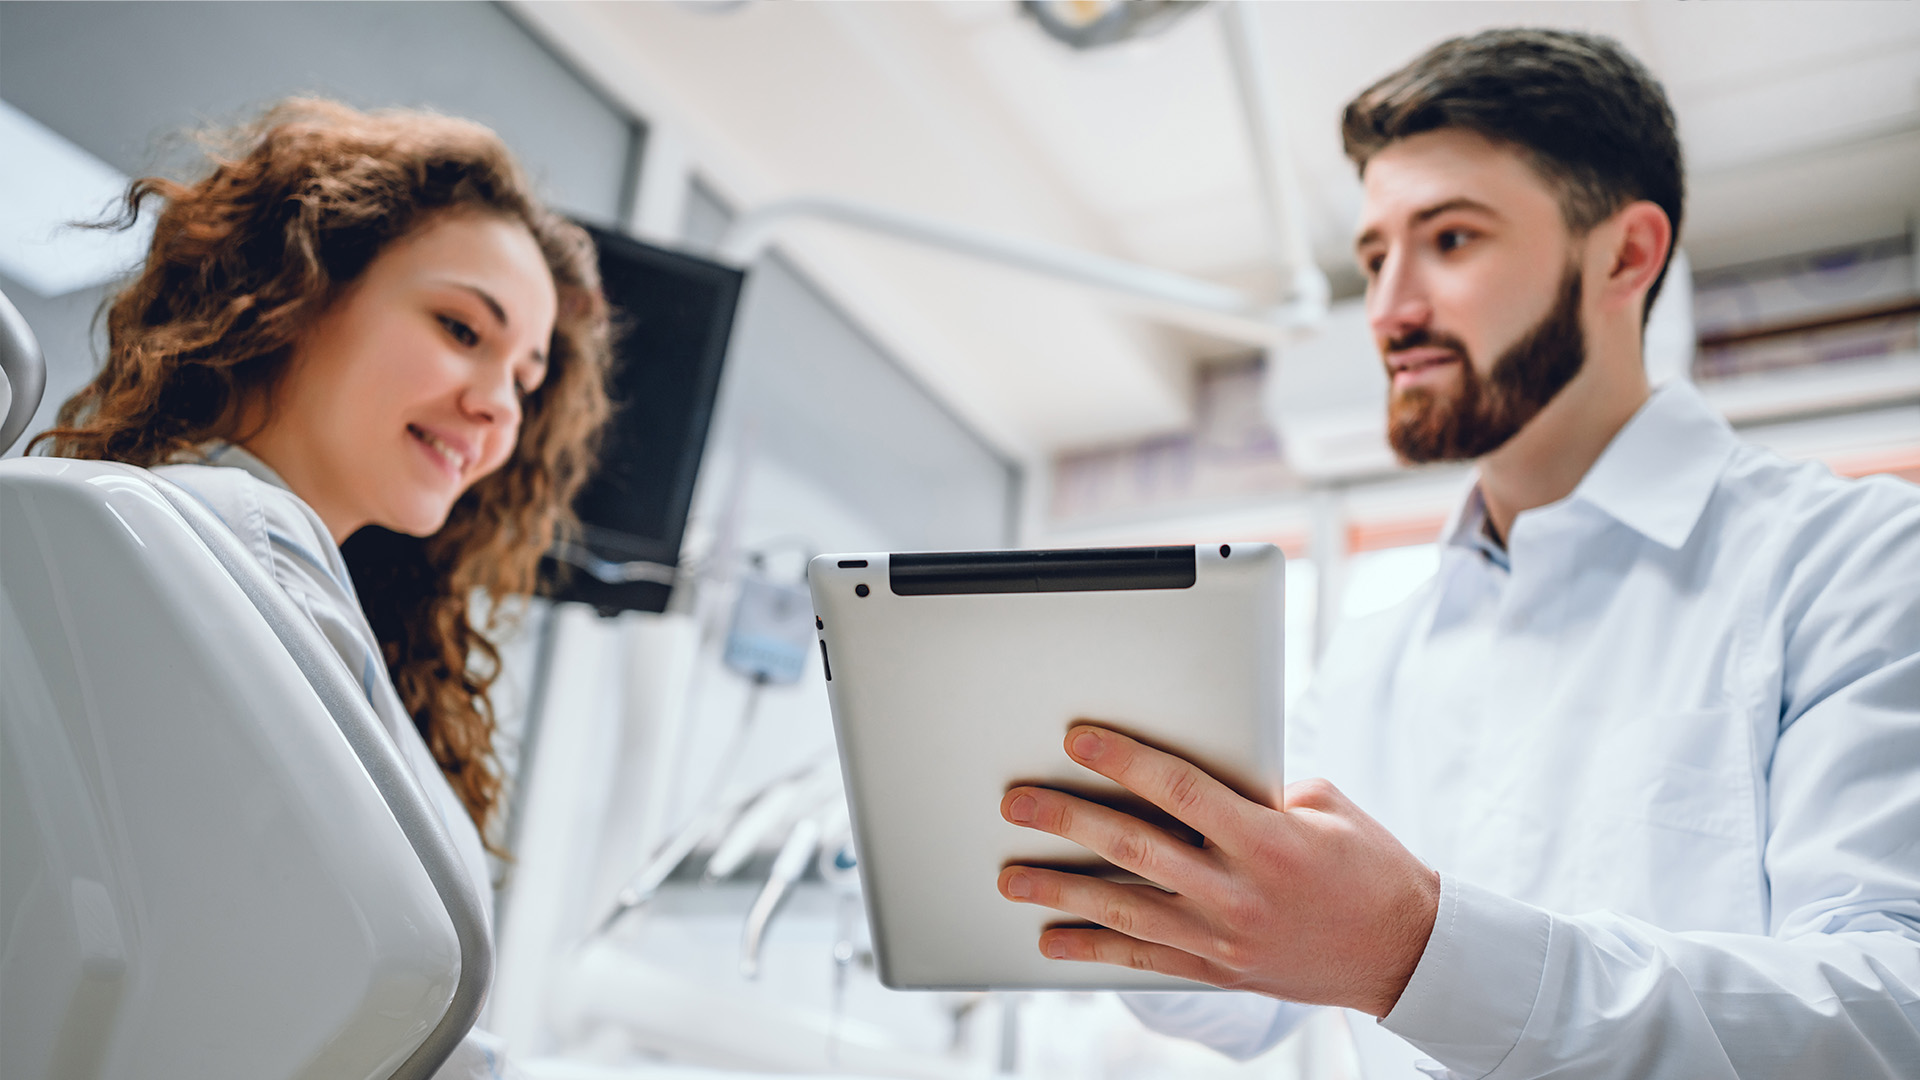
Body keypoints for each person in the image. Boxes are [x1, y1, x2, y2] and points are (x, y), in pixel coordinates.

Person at [993, 29, 1920, 1080]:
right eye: (1377, 256)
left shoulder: (1856, 561)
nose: (1388, 310)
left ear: (1626, 254)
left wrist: (1416, 951)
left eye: (1451, 240)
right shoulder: (1371, 659)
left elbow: (1893, 1016)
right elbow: (1243, 1010)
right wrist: (1099, 871)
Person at [33, 98, 613, 1078]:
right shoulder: (240, 541)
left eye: (526, 377)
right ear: (297, 292)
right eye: (462, 328)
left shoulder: (236, 565)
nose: (497, 407)